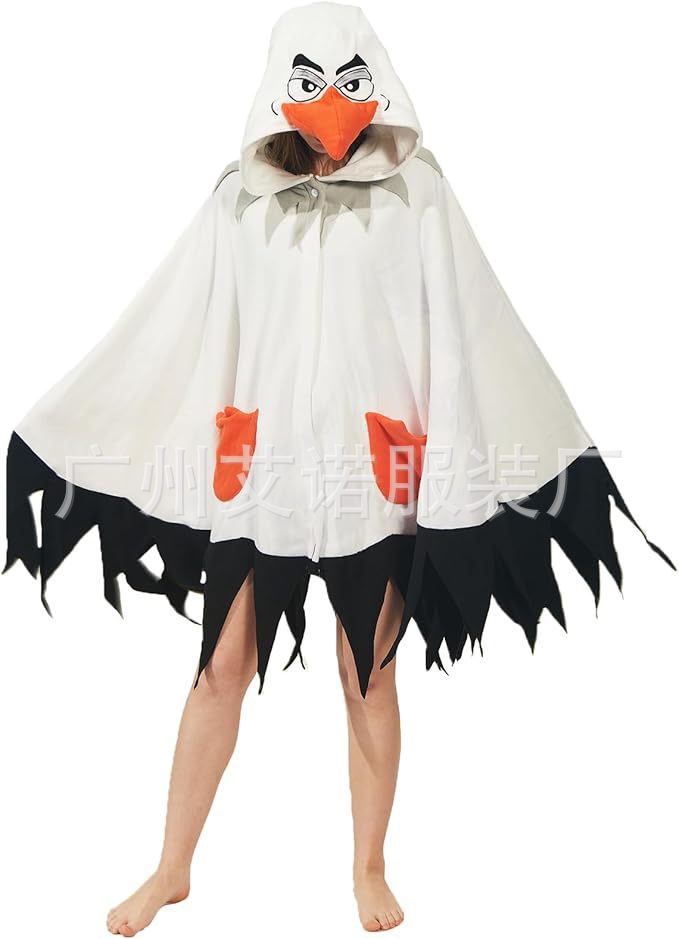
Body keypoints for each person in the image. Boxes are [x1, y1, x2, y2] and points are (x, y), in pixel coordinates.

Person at [3, 2, 673, 936]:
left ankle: (368, 865)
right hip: (264, 476)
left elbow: (470, 326)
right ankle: (171, 867)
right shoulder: (240, 201)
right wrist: (74, 421)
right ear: (279, 88)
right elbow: (179, 323)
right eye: (308, 81)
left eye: (347, 79)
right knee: (218, 670)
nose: (329, 102)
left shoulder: (416, 192)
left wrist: (471, 457)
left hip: (371, 480)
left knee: (367, 674)